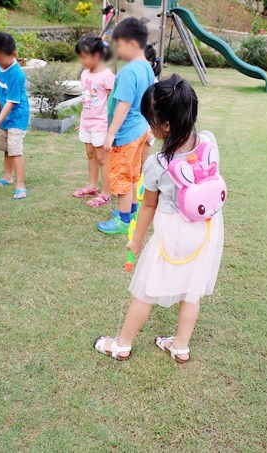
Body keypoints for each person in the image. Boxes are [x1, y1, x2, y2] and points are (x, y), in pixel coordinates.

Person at [94, 75, 225, 363]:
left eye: (151, 123)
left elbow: (148, 206)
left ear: (165, 126)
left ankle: (122, 344)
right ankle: (180, 346)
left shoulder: (157, 164)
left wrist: (137, 239)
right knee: (191, 291)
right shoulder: (208, 141)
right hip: (206, 230)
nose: (150, 129)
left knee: (145, 289)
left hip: (173, 235)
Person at [97, 18, 155, 234]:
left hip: (126, 132)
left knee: (121, 176)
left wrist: (111, 133)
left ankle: (123, 221)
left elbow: (123, 105)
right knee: (132, 174)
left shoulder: (129, 72)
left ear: (131, 44)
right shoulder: (147, 68)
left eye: (118, 45)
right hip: (140, 129)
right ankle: (131, 210)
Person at [0, 32, 30, 200]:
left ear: (13, 55)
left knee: (15, 150)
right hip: (3, 114)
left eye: (1, 59)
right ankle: (7, 177)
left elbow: (12, 102)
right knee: (6, 148)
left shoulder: (17, 74)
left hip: (17, 116)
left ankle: (20, 184)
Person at [73, 35, 116, 208]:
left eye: (84, 57)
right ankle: (92, 186)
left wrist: (112, 128)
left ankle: (106, 193)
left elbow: (115, 101)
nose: (81, 61)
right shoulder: (84, 74)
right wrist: (82, 122)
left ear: (97, 56)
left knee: (102, 158)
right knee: (90, 155)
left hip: (101, 124)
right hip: (87, 123)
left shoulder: (107, 76)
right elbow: (87, 101)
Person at [141, 44, 162, 166]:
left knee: (142, 163)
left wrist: (152, 132)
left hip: (147, 129)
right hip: (134, 127)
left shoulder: (154, 85)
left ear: (151, 63)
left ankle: (141, 185)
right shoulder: (136, 79)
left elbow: (158, 111)